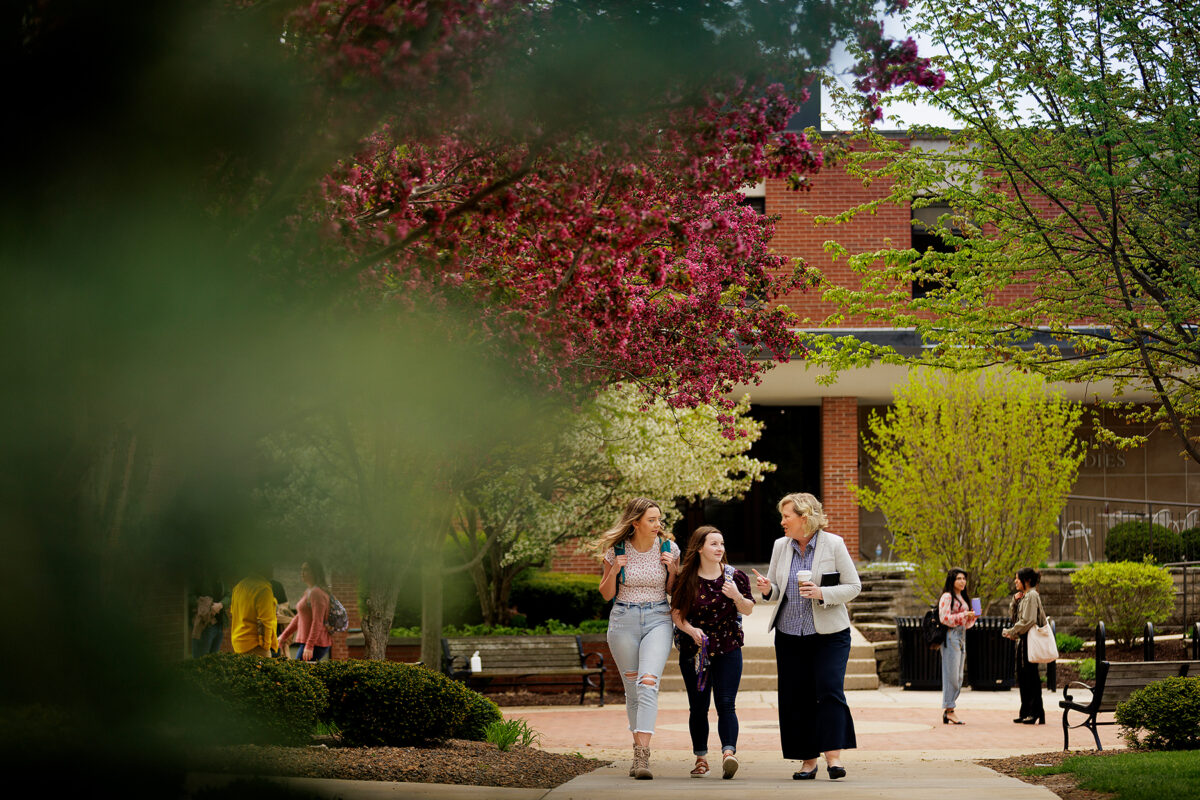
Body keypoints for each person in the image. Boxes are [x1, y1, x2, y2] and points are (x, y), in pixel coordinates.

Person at [753, 492, 860, 781]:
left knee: (829, 689)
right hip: (789, 634)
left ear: (805, 516)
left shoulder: (834, 544)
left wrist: (821, 593)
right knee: (795, 698)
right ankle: (808, 762)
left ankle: (834, 758)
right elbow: (776, 590)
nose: (782, 521)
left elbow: (853, 586)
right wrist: (766, 589)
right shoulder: (780, 546)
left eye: (787, 516)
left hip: (829, 634)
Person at [598, 497, 680, 780]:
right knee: (632, 689)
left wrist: (672, 570)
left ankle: (642, 755)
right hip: (623, 620)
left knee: (648, 683)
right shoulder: (616, 550)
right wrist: (616, 570)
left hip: (658, 618)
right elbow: (607, 593)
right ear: (636, 523)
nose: (658, 525)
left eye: (659, 519)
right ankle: (637, 749)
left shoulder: (669, 548)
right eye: (651, 520)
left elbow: (673, 591)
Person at [670, 525, 755, 780]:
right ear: (699, 548)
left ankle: (729, 754)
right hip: (694, 650)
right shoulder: (686, 578)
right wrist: (690, 630)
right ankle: (701, 759)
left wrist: (737, 596)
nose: (720, 548)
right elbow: (676, 613)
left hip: (728, 647)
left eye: (722, 544)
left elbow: (749, 609)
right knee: (698, 707)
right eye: (714, 544)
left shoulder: (734, 577)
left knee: (727, 704)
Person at [1002, 567, 1046, 724]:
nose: (1015, 581)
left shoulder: (1032, 595)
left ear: (1026, 581)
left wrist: (1011, 632)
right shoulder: (1025, 596)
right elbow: (1015, 618)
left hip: (1029, 640)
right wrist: (1015, 601)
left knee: (1030, 676)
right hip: (1023, 640)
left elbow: (1028, 620)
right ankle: (1027, 711)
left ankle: (1035, 712)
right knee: (1023, 676)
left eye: (1017, 579)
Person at [938, 568, 977, 724]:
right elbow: (944, 618)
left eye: (964, 579)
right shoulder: (947, 597)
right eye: (959, 578)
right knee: (951, 675)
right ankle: (949, 710)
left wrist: (972, 617)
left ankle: (949, 709)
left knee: (959, 676)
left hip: (961, 635)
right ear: (952, 580)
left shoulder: (962, 597)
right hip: (950, 636)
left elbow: (965, 624)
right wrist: (964, 615)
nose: (962, 581)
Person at [279, 559, 333, 662]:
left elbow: (318, 621)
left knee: (297, 673)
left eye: (306, 570)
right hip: (310, 643)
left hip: (316, 643)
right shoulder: (309, 591)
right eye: (302, 570)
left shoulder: (317, 593)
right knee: (303, 673)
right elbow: (299, 617)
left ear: (315, 573)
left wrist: (309, 646)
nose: (302, 573)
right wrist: (284, 636)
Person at [230, 567, 278, 657]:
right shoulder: (263, 589)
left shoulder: (239, 586)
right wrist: (266, 647)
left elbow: (234, 613)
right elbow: (264, 622)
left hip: (239, 643)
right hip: (256, 646)